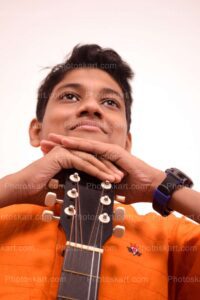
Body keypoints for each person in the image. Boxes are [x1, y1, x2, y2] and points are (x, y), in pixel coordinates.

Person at [0, 44, 199, 300]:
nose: (92, 107)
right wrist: (11, 187)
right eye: (70, 96)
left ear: (127, 143)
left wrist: (161, 186)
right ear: (36, 131)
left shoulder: (167, 238)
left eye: (109, 102)